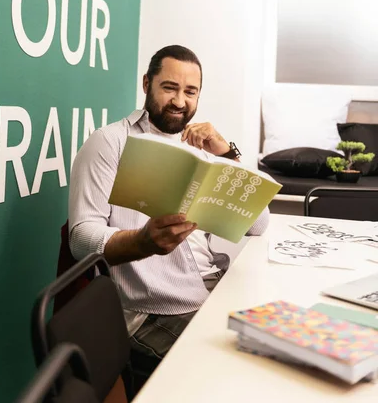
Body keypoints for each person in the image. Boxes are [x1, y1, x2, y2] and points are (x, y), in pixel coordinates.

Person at [69, 45, 269, 388]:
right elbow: (80, 238)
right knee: (232, 380)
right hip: (151, 312)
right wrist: (141, 242)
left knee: (274, 361)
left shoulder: (200, 146)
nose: (180, 101)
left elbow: (258, 224)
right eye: (169, 88)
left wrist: (226, 152)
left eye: (190, 92)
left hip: (212, 290)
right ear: (147, 83)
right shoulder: (110, 142)